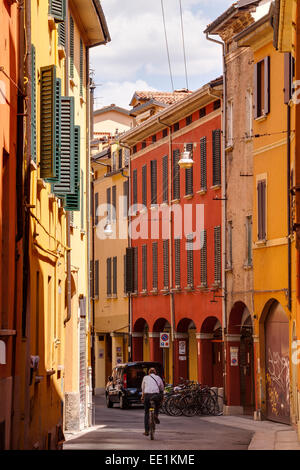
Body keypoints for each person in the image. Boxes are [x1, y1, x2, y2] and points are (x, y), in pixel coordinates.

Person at [141, 367, 164, 436]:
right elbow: (162, 388)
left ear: (149, 373)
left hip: (147, 396)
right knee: (158, 404)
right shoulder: (158, 378)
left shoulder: (145, 378)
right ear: (155, 372)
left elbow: (143, 388)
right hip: (155, 396)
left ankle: (146, 431)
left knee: (146, 413)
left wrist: (142, 397)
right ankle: (156, 415)